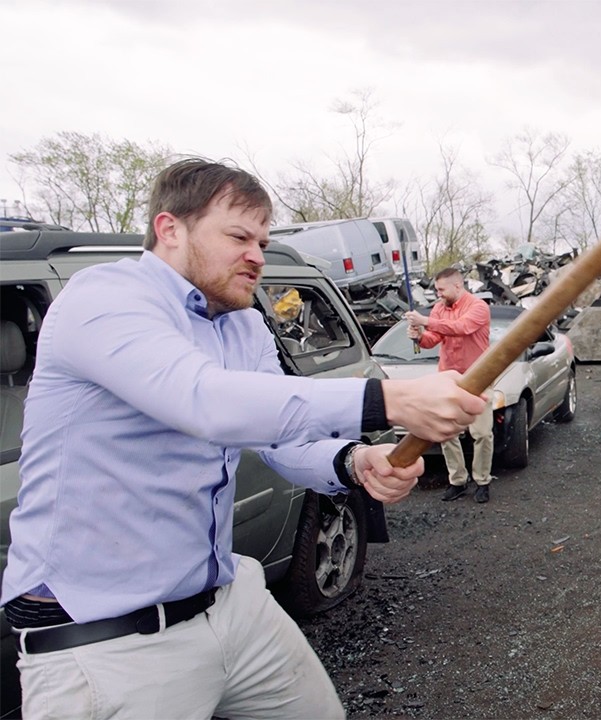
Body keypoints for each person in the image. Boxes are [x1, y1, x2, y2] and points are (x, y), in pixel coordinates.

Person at [0, 158, 487, 720]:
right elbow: (203, 399)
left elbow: (280, 439)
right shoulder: (104, 298)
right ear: (170, 229)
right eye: (238, 237)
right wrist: (390, 400)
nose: (256, 255)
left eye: (262, 241)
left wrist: (354, 460)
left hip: (229, 603)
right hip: (108, 640)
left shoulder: (244, 324)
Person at [405, 267, 495, 503]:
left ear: (458, 285)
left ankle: (482, 480)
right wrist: (419, 336)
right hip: (448, 378)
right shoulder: (439, 309)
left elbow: (461, 328)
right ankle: (457, 480)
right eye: (436, 290)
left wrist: (425, 320)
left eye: (441, 290)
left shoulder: (478, 307)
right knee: (447, 434)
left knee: (482, 433)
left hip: (478, 377)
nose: (438, 294)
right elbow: (433, 339)